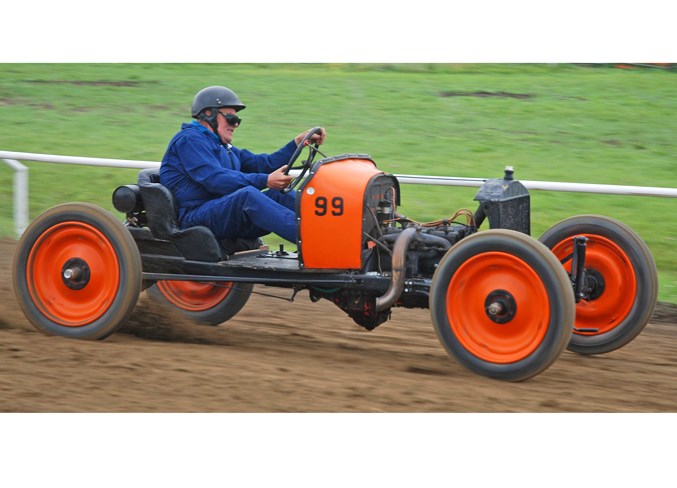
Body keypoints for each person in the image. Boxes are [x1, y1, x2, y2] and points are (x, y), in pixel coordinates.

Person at [159, 85, 326, 249]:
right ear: (208, 114)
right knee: (248, 196)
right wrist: (266, 181)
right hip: (193, 217)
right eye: (231, 118)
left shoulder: (224, 147)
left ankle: (334, 231)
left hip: (218, 211)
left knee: (281, 195)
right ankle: (321, 244)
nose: (236, 124)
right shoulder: (189, 140)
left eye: (237, 120)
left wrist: (296, 143)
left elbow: (264, 164)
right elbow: (215, 179)